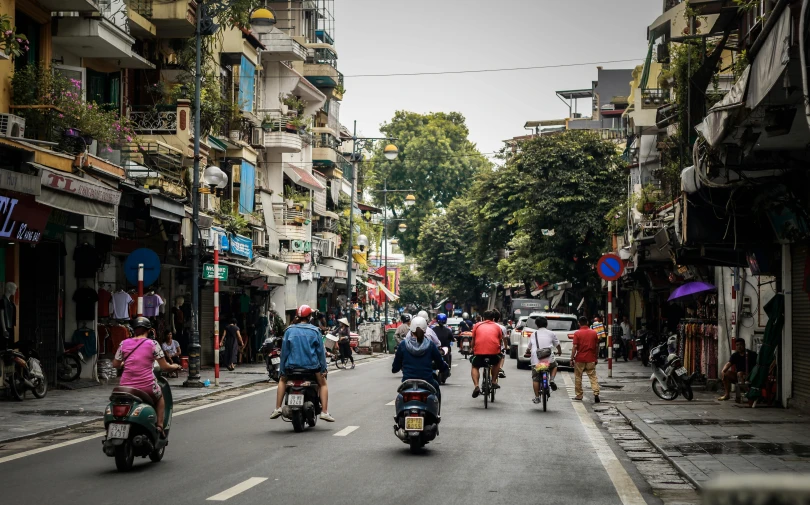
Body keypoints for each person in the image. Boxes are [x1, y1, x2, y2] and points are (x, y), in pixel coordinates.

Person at [112, 317, 180, 436]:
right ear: (149, 330)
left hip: (125, 387)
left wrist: (125, 363)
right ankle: (159, 426)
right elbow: (165, 367)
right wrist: (175, 366)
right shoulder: (153, 344)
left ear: (133, 330)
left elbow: (115, 364)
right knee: (160, 399)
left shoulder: (124, 343)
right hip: (146, 386)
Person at [270, 305, 334, 422]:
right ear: (309, 317)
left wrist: (282, 369)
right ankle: (324, 411)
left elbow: (284, 352)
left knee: (282, 380)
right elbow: (321, 353)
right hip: (312, 367)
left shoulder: (289, 331)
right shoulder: (315, 331)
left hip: (291, 367)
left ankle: (278, 408)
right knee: (323, 384)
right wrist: (324, 368)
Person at [392, 316, 447, 403]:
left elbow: (395, 367)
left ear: (411, 329)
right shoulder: (431, 345)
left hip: (407, 382)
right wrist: (444, 368)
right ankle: (437, 415)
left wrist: (395, 368)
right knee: (436, 386)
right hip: (427, 382)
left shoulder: (403, 344)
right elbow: (440, 363)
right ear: (425, 329)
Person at [526, 316, 562, 403]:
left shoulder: (533, 334)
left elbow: (529, 347)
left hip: (537, 361)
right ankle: (552, 379)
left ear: (536, 325)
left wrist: (526, 352)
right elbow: (557, 345)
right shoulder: (551, 333)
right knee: (554, 366)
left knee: (536, 378)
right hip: (548, 360)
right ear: (546, 324)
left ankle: (537, 397)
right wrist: (559, 351)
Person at [470, 310, 504, 398]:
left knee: (475, 366)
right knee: (497, 362)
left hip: (479, 353)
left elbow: (473, 340)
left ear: (483, 318)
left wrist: (472, 349)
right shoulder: (497, 327)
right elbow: (500, 341)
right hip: (493, 353)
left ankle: (476, 386)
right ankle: (493, 381)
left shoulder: (477, 325)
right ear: (493, 318)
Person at [572, 316, 600, 403]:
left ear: (579, 323)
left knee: (578, 377)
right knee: (592, 377)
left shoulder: (577, 333)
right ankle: (596, 393)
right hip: (591, 358)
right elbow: (596, 346)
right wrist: (596, 357)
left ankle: (579, 395)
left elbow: (575, 347)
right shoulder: (594, 333)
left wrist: (572, 357)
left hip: (580, 358)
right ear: (587, 322)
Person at [493, 309, 508, 378]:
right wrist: (505, 347)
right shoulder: (502, 327)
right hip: (498, 348)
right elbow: (504, 339)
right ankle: (500, 367)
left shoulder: (482, 326)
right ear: (499, 319)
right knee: (503, 353)